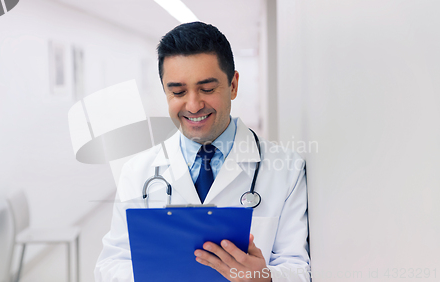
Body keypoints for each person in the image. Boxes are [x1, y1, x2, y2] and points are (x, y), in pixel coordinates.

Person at [95, 22, 310, 282]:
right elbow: (110, 265)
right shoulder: (138, 171)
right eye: (178, 91)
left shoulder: (286, 168)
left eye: (207, 89)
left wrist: (264, 278)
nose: (194, 105)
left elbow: (299, 268)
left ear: (233, 85)